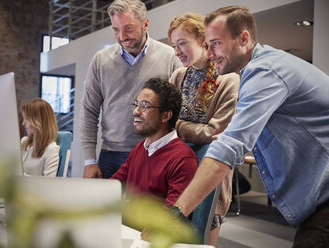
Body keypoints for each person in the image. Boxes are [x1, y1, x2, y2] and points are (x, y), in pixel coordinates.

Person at [173, 6, 329, 247]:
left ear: (244, 38)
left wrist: (178, 211)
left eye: (215, 43)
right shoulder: (255, 71)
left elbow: (230, 145)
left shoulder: (265, 71)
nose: (210, 52)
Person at [80, 0, 182, 179]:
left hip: (154, 153)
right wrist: (89, 161)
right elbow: (89, 110)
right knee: (107, 208)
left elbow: (178, 110)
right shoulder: (100, 60)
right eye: (116, 30)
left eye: (128, 28)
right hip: (110, 155)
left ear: (145, 23)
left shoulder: (170, 58)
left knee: (148, 208)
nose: (122, 36)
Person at [168, 13, 239, 246]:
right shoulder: (178, 76)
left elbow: (215, 133)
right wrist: (192, 129)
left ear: (201, 40)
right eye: (173, 45)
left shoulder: (229, 79)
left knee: (201, 240)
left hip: (209, 170)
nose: (177, 51)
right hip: (177, 169)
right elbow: (165, 122)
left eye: (182, 43)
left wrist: (177, 126)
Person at [111, 78, 198, 206]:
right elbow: (113, 187)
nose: (136, 111)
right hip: (126, 224)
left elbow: (173, 216)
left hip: (148, 226)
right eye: (136, 104)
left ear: (165, 116)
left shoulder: (183, 158)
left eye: (144, 106)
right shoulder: (140, 149)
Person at [20, 98, 59, 177]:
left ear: (38, 121)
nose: (23, 123)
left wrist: (20, 176)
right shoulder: (24, 142)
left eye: (27, 119)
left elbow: (48, 184)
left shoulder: (51, 149)